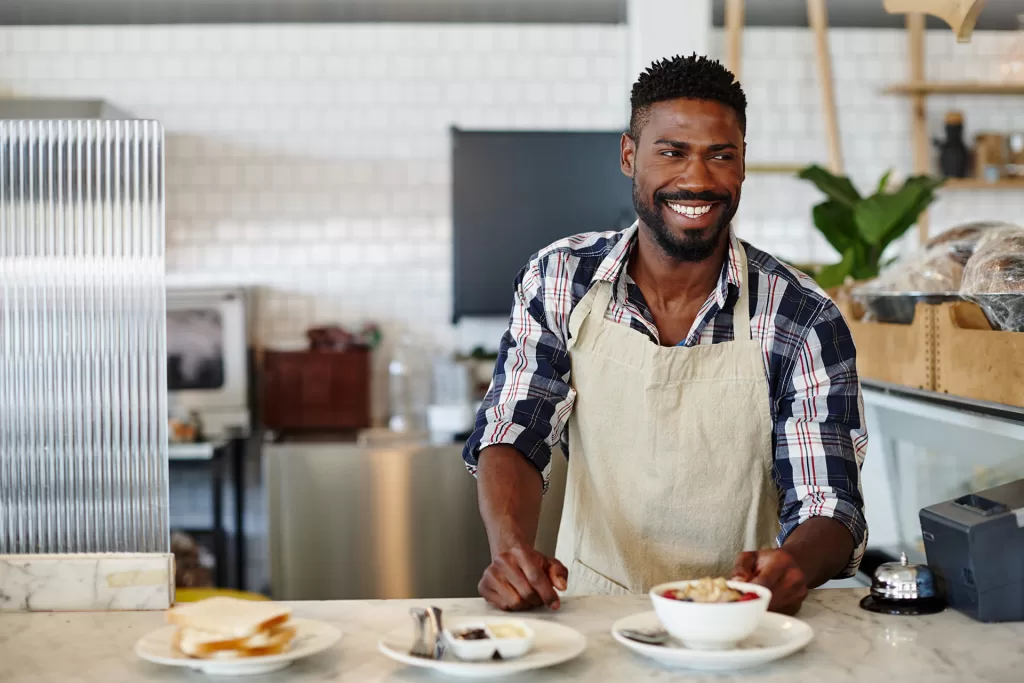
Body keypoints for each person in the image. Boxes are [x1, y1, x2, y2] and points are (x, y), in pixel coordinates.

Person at [462, 54, 867, 616]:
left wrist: (793, 564)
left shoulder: (802, 317)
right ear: (630, 156)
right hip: (590, 614)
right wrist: (510, 551)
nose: (697, 179)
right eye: (672, 152)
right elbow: (514, 428)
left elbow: (830, 501)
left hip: (742, 619)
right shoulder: (561, 278)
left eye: (720, 155)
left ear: (743, 162)